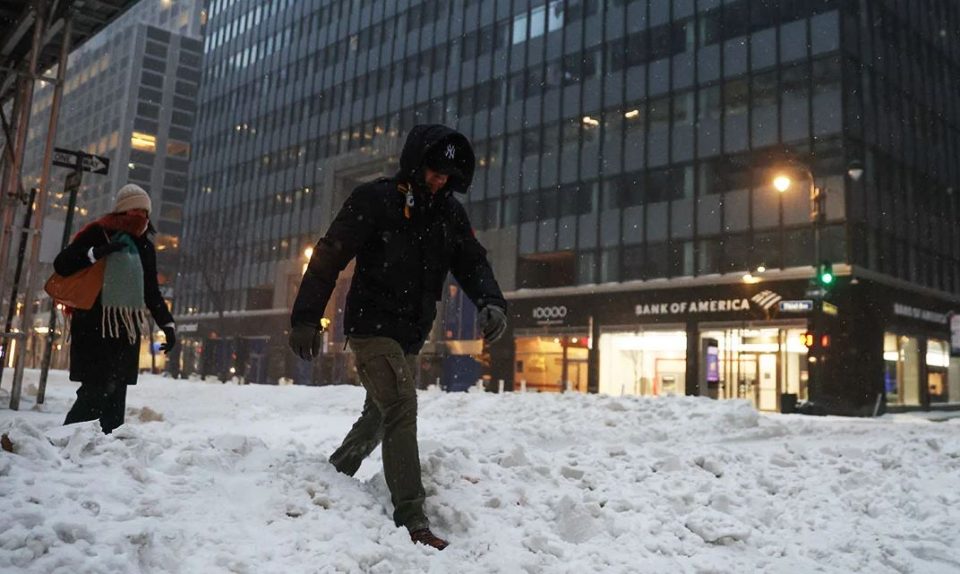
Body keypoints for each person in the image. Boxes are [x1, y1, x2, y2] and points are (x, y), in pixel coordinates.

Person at [289, 124, 508, 550]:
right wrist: (306, 319)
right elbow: (330, 254)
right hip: (371, 327)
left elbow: (472, 262)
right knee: (402, 406)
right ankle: (413, 519)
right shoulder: (376, 199)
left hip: (410, 333)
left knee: (380, 414)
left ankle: (334, 475)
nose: (439, 181)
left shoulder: (449, 214)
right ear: (415, 163)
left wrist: (491, 301)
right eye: (433, 171)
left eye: (447, 176)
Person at [53, 184, 176, 434]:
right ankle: (66, 440)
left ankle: (105, 450)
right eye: (135, 210)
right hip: (93, 326)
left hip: (125, 331)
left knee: (116, 397)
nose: (140, 216)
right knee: (95, 392)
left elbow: (151, 292)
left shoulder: (144, 247)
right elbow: (62, 264)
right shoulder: (98, 233)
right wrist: (96, 253)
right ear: (121, 211)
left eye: (144, 212)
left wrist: (168, 325)